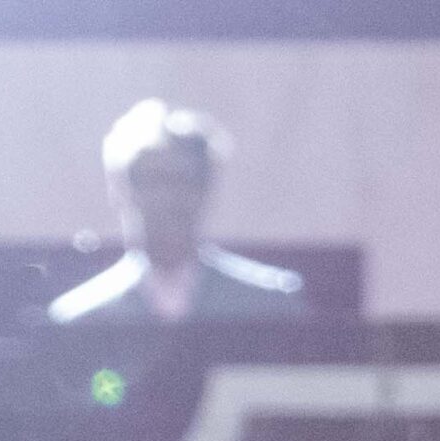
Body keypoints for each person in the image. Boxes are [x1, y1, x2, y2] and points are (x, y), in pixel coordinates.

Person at [47, 100, 306, 327]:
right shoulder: (81, 318)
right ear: (123, 189)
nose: (168, 198)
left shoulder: (267, 306)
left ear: (205, 189)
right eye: (154, 180)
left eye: (182, 181)